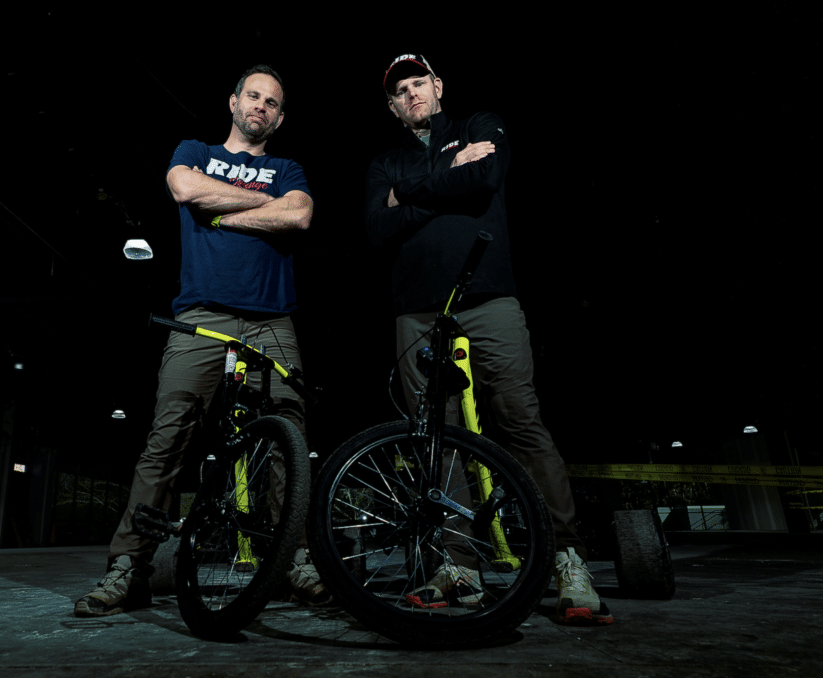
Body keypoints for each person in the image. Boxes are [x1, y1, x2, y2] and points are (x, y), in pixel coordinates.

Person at [364, 54, 613, 625]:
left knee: (519, 416)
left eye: (418, 82)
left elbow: (487, 177)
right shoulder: (385, 162)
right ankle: (458, 568)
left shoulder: (480, 125)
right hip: (418, 311)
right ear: (393, 106)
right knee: (436, 435)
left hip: (489, 298)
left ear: (438, 85)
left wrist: (411, 195)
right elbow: (377, 226)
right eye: (400, 90)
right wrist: (440, 182)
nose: (411, 94)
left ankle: (566, 558)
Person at [75, 65, 324, 617]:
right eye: (252, 96)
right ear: (233, 102)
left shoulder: (287, 167)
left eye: (272, 102)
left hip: (271, 320)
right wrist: (263, 207)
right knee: (167, 439)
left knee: (289, 438)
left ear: (280, 118)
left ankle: (295, 562)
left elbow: (301, 214)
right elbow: (185, 188)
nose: (260, 106)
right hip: (200, 317)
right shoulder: (195, 149)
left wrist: (221, 213)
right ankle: (129, 568)